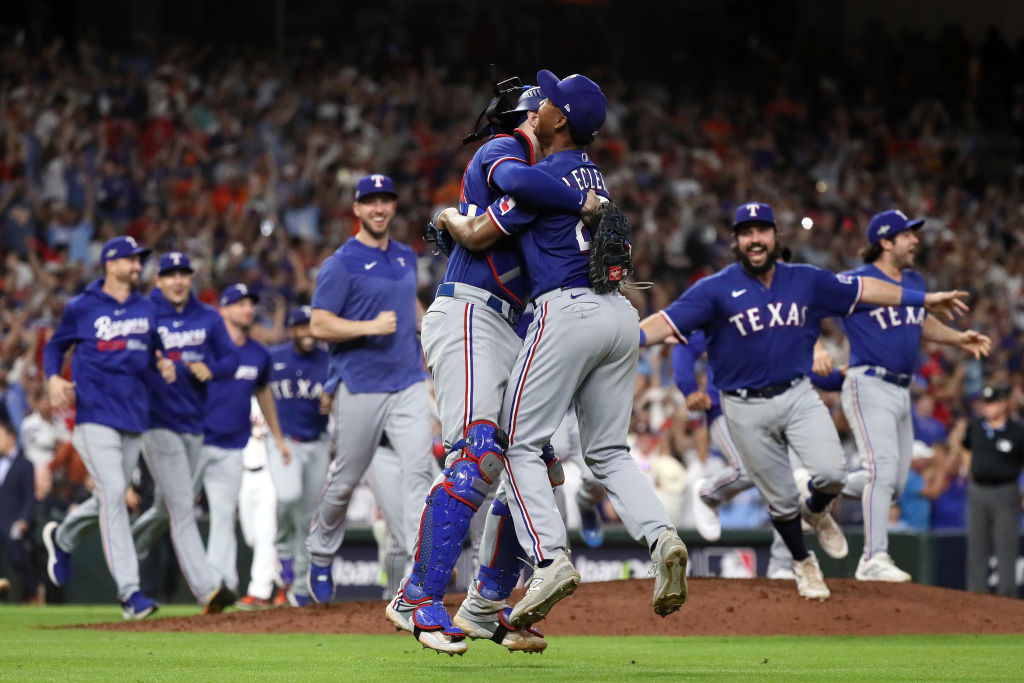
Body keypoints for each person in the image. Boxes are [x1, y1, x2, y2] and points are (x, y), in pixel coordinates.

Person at [437, 69, 689, 628]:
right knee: (609, 453)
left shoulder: (541, 175)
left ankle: (550, 559)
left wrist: (448, 218)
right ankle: (662, 537)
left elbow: (479, 235)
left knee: (518, 443)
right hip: (621, 314)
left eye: (549, 102)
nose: (539, 106)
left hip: (566, 309)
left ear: (561, 120)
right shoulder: (595, 180)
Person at [639, 201, 970, 600]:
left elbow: (864, 289)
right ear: (737, 242)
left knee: (830, 473)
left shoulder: (806, 280)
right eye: (746, 232)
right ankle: (801, 563)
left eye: (762, 230)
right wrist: (620, 335)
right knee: (779, 499)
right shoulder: (715, 289)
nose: (755, 238)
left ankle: (816, 508)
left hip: (797, 394)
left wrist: (921, 299)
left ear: (777, 237)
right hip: (743, 406)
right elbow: (667, 325)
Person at [386, 82, 601, 655]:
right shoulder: (503, 149)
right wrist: (576, 200)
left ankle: (485, 605)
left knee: (534, 465)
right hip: (470, 312)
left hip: (513, 328)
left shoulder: (555, 186)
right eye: (542, 106)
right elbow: (503, 189)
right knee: (479, 453)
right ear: (537, 115)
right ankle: (416, 597)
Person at [305, 174, 436, 608]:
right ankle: (321, 553)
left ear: (393, 207)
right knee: (345, 480)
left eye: (386, 201)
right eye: (371, 202)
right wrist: (369, 326)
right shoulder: (340, 262)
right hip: (360, 385)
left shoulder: (403, 256)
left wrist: (430, 330)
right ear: (357, 209)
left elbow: (409, 305)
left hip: (408, 381)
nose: (379, 209)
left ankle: (422, 573)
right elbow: (319, 324)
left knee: (420, 472)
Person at [838, 210, 990, 582]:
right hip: (868, 381)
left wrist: (958, 337)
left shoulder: (914, 281)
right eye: (907, 235)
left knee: (899, 483)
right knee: (883, 471)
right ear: (885, 242)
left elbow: (919, 320)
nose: (915, 240)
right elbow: (822, 307)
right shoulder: (854, 281)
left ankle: (820, 484)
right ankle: (873, 557)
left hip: (901, 390)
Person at [41, 235, 176, 619]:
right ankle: (130, 593)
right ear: (111, 264)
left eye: (139, 261)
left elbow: (151, 351)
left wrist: (162, 363)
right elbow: (55, 346)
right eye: (131, 260)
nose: (137, 266)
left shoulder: (146, 308)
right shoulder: (82, 306)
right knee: (115, 491)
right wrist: (53, 378)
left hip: (133, 416)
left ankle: (63, 536)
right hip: (94, 414)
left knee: (108, 497)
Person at [129, 251, 240, 613]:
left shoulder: (208, 316)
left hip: (194, 423)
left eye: (184, 274)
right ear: (158, 280)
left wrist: (212, 368)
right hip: (156, 421)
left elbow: (232, 359)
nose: (178, 280)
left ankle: (126, 547)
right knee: (181, 506)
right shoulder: (144, 313)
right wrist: (153, 365)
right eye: (170, 274)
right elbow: (127, 359)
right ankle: (208, 588)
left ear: (191, 278)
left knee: (167, 506)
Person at [198, 283, 291, 593]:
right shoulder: (204, 346)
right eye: (239, 303)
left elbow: (264, 393)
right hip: (194, 441)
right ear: (223, 310)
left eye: (250, 303)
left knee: (224, 518)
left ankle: (218, 584)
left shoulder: (257, 354)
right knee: (169, 511)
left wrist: (277, 437)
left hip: (230, 446)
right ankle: (141, 541)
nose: (248, 308)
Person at [263, 305, 330, 607]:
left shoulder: (329, 360)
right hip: (285, 441)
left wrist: (333, 400)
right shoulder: (274, 357)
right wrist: (274, 436)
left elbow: (341, 395)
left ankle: (300, 588)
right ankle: (283, 550)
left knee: (306, 518)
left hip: (317, 443)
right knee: (288, 496)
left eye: (310, 326)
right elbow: (256, 389)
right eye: (301, 327)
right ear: (292, 330)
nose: (306, 332)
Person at [957, 385, 1024, 597]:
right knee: (977, 545)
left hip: (1005, 490)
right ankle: (977, 595)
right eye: (986, 403)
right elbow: (965, 447)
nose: (988, 407)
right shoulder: (975, 426)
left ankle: (1006, 596)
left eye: (993, 402)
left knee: (1006, 545)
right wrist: (970, 470)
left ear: (1004, 404)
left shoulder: (1017, 431)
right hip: (978, 490)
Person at [0, 416, 38, 603]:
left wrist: (24, 519)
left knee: (18, 559)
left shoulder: (25, 465)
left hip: (13, 521)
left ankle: (33, 593)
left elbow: (29, 496)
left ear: (11, 437)